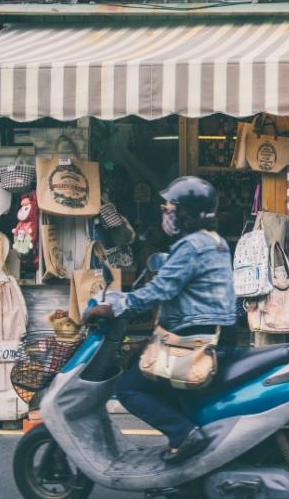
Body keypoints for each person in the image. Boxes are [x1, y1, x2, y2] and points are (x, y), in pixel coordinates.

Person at [84, 176, 237, 464]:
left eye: (169, 207)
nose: (164, 212)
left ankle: (183, 434)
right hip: (214, 336)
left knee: (128, 387)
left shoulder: (191, 246)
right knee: (143, 367)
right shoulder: (215, 242)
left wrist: (114, 307)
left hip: (194, 341)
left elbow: (159, 290)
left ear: (186, 212)